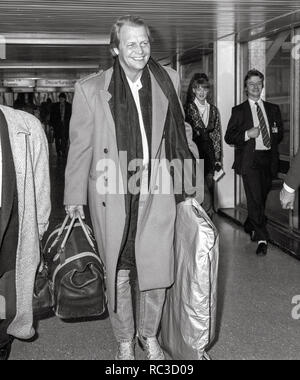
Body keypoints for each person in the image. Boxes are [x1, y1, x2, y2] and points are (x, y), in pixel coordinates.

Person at [64, 15, 202, 360]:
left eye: (144, 42)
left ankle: (148, 335)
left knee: (156, 269)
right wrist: (73, 197)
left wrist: (190, 186)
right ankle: (125, 340)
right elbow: (79, 146)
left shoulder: (167, 79)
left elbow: (180, 133)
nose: (140, 50)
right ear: (115, 48)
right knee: (120, 271)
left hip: (158, 189)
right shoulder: (91, 89)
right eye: (131, 43)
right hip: (112, 190)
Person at [0, 105, 51, 360]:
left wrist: (40, 229)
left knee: (6, 302)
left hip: (10, 227)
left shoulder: (25, 126)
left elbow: (40, 182)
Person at [225, 69, 283, 257]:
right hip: (250, 161)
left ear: (262, 86)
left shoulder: (273, 109)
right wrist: (246, 134)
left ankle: (251, 221)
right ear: (245, 87)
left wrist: (270, 134)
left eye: (258, 83)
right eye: (251, 84)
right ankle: (262, 238)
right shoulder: (239, 111)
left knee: (262, 196)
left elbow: (279, 134)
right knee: (255, 198)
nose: (255, 87)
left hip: (268, 159)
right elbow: (229, 137)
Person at [185, 73, 222, 217]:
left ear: (208, 91)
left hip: (210, 155)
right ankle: (202, 218)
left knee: (209, 187)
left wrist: (218, 158)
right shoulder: (187, 108)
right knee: (200, 190)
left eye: (204, 89)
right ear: (193, 90)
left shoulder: (213, 110)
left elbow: (216, 135)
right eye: (198, 89)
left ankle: (207, 220)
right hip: (193, 153)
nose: (201, 92)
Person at [50, 93, 72, 158]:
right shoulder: (55, 105)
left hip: (66, 125)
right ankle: (58, 151)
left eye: (62, 98)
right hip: (57, 125)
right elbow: (52, 115)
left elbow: (71, 115)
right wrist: (52, 124)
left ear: (65, 99)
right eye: (60, 98)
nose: (61, 99)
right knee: (57, 139)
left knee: (65, 138)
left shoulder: (69, 106)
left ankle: (64, 151)